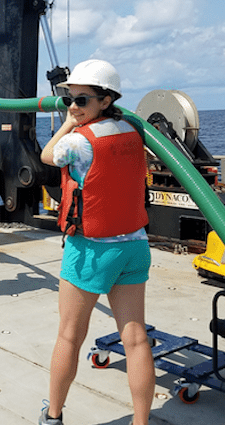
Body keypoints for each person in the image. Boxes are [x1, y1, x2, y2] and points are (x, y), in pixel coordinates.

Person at [38, 59, 154, 425]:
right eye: (69, 99)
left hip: (92, 248)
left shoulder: (78, 141)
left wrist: (70, 125)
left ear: (105, 100)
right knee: (135, 339)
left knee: (69, 336)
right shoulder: (134, 131)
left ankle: (53, 415)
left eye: (81, 100)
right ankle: (141, 422)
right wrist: (78, 116)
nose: (73, 108)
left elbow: (45, 156)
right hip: (134, 245)